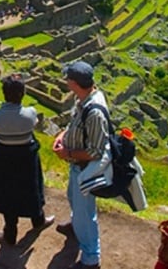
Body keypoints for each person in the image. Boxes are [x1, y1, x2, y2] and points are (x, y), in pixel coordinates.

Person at [0, 74, 54, 245]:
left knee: (8, 196)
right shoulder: (30, 114)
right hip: (26, 159)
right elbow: (31, 124)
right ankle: (38, 220)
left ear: (4, 94)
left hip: (4, 159)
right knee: (32, 189)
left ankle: (10, 233)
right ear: (23, 93)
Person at [52, 60, 108, 269]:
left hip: (85, 169)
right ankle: (76, 228)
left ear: (75, 83)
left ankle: (91, 258)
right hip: (76, 166)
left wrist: (67, 152)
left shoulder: (95, 112)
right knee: (73, 198)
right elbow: (75, 124)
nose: (66, 82)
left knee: (86, 214)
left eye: (68, 79)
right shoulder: (84, 100)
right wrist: (63, 134)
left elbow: (95, 151)